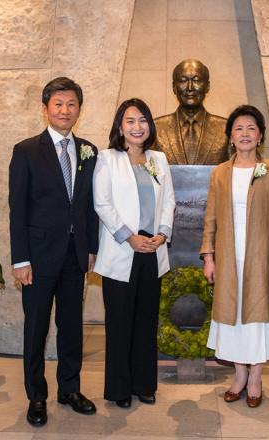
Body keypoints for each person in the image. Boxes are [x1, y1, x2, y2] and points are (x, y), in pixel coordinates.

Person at [9, 77, 99, 426]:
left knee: (72, 326)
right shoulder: (27, 150)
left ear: (79, 109)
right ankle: (36, 396)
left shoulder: (89, 151)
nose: (65, 110)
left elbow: (89, 206)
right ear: (45, 108)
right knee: (36, 328)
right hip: (37, 257)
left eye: (72, 103)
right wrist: (20, 259)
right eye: (58, 104)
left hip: (75, 256)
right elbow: (17, 207)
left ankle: (69, 389)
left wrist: (91, 247)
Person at [201, 105, 269, 408]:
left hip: (261, 260)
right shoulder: (219, 173)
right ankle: (239, 375)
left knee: (258, 320)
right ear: (230, 136)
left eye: (251, 128)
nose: (245, 134)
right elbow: (210, 219)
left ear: (260, 135)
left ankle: (255, 378)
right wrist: (209, 257)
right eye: (238, 128)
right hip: (228, 260)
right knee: (233, 320)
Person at [93, 98, 176, 408]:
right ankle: (118, 389)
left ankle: (144, 384)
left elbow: (169, 201)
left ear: (149, 125)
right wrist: (129, 237)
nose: (137, 126)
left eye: (142, 120)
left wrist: (162, 234)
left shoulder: (158, 159)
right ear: (120, 127)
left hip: (152, 249)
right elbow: (102, 204)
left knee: (145, 321)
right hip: (122, 250)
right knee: (119, 323)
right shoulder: (107, 159)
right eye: (130, 121)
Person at [153, 59, 230, 165]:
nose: (190, 88)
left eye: (196, 81)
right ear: (174, 87)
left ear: (207, 86)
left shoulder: (226, 128)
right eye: (183, 81)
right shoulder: (155, 128)